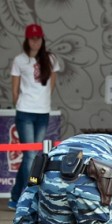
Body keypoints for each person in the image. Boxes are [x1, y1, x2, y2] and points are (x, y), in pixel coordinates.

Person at [8, 23, 60, 211]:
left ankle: (15, 196)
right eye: (32, 38)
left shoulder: (51, 59)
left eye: (38, 38)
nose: (35, 41)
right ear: (27, 39)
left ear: (42, 39)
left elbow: (51, 85)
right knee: (30, 155)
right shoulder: (19, 60)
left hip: (42, 112)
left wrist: (41, 102)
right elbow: (14, 88)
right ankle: (26, 196)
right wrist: (20, 103)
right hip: (25, 112)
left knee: (32, 156)